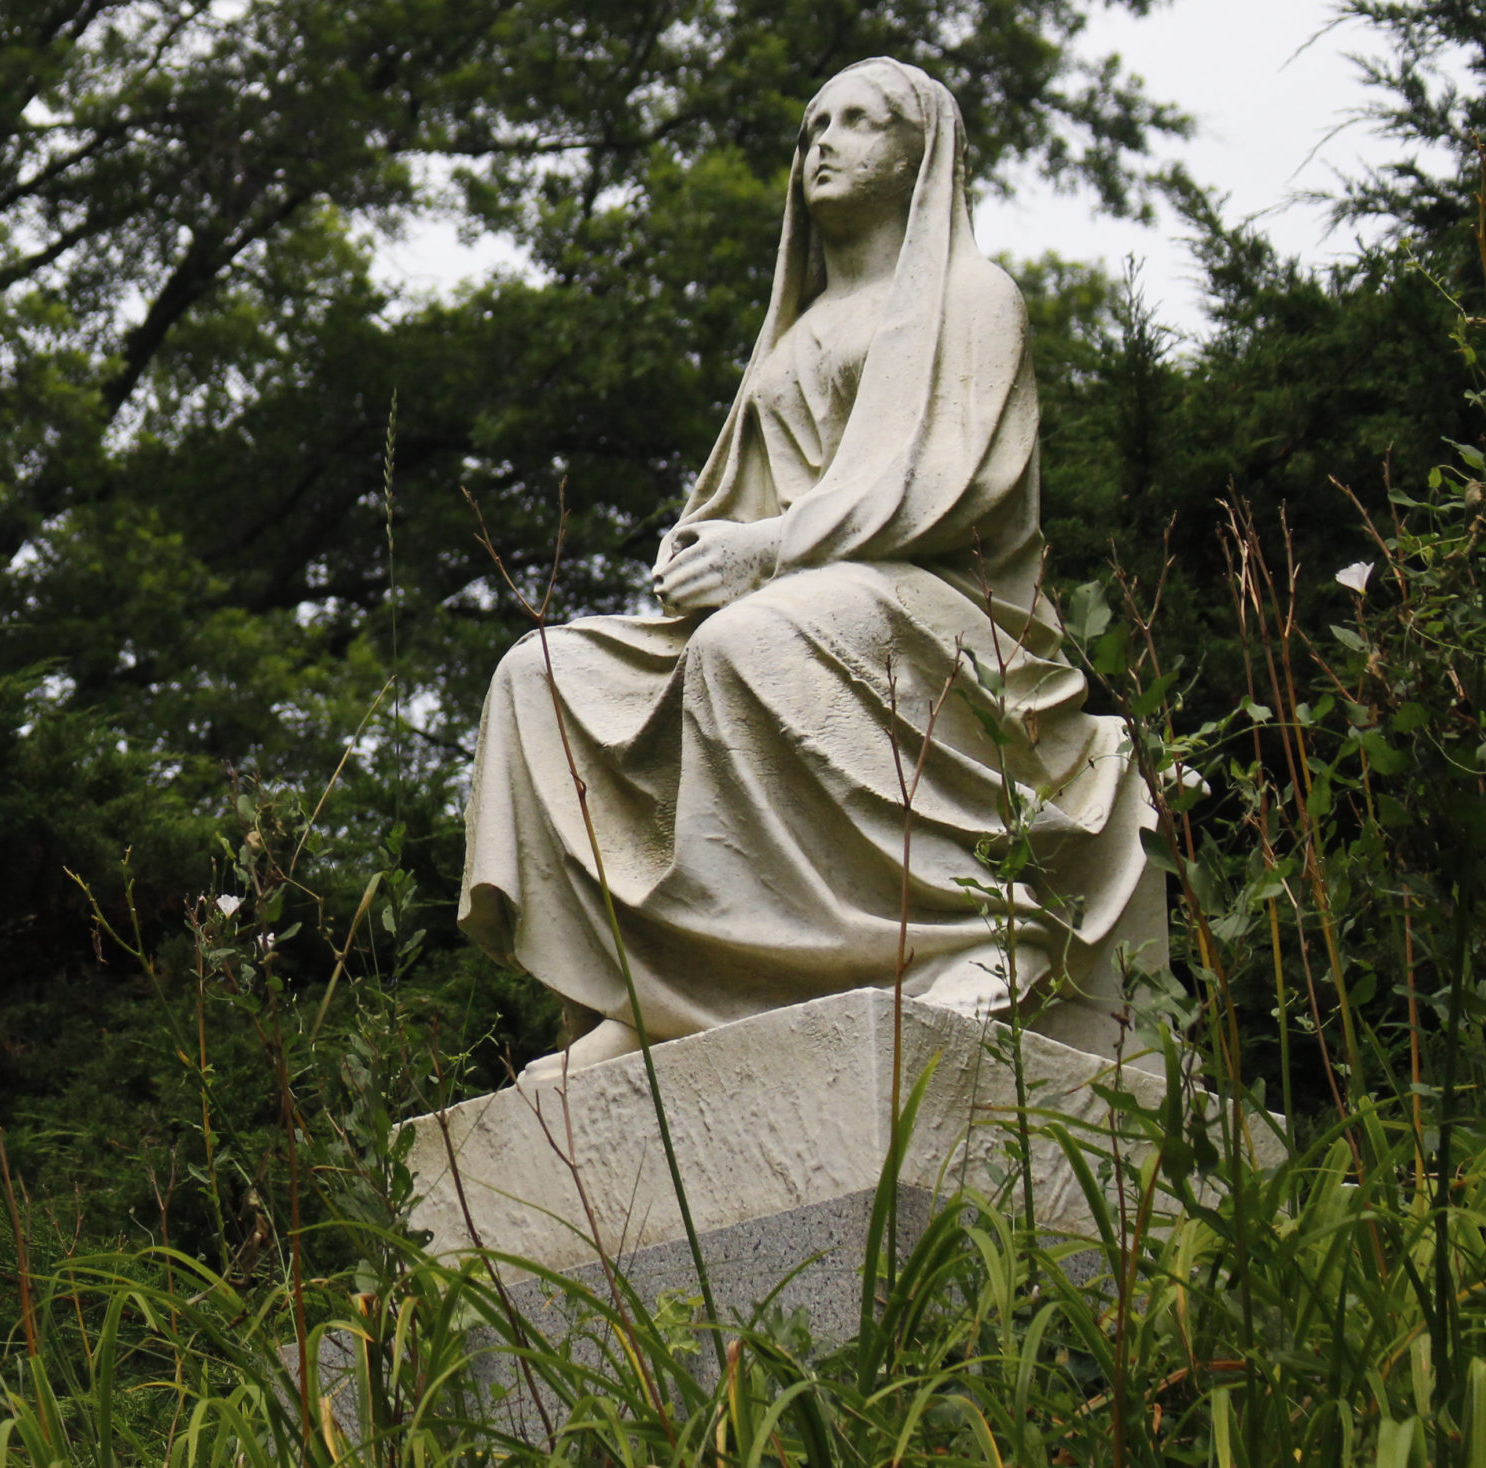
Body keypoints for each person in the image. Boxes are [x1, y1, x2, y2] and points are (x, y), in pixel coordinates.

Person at [458, 57, 1162, 1083]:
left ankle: (973, 931)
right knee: (541, 675)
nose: (821, 144)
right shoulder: (793, 340)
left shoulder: (974, 297)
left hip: (950, 607)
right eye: (811, 126)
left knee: (755, 639)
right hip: (807, 595)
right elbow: (739, 504)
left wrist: (765, 552)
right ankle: (660, 989)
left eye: (858, 122)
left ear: (920, 152)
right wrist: (701, 550)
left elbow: (957, 486)